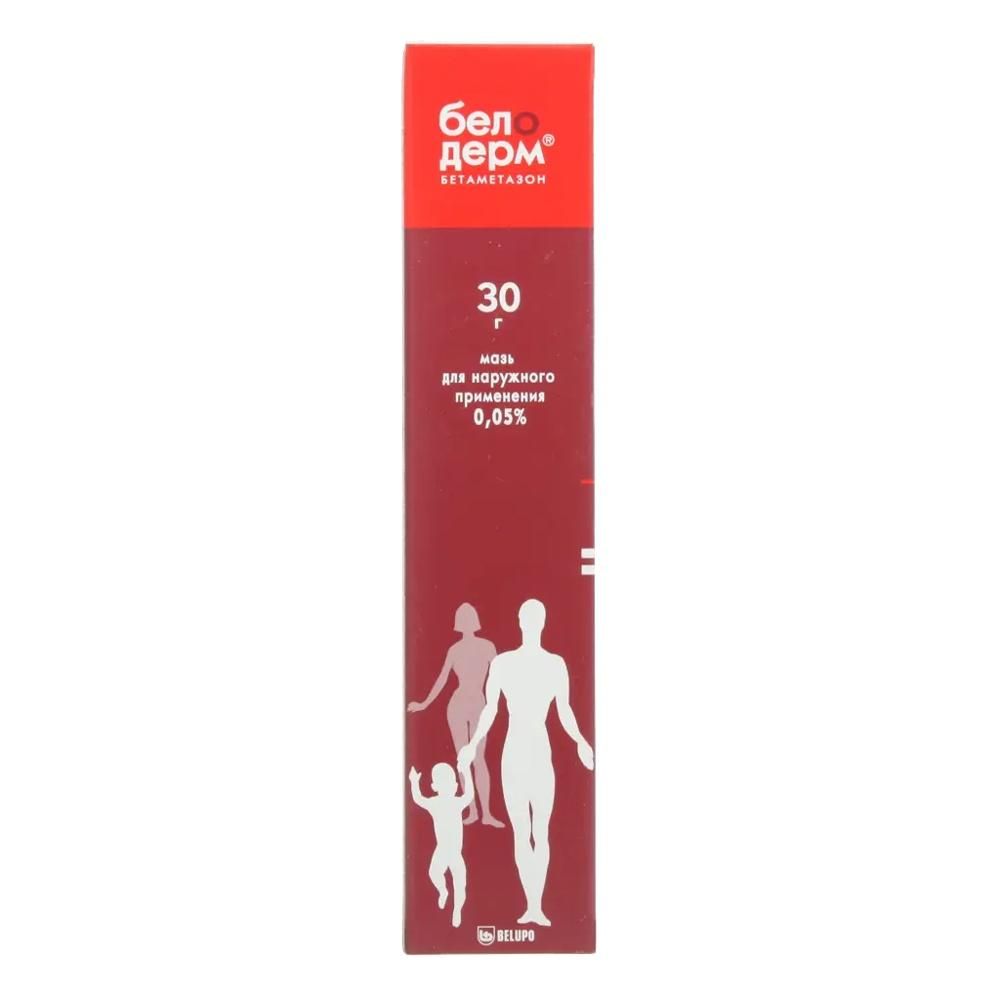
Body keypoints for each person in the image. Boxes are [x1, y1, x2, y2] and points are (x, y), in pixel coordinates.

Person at [458, 599, 593, 927]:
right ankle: (532, 905)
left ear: (540, 622)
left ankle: (537, 906)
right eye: (527, 618)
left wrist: (580, 741)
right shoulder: (504, 664)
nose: (531, 622)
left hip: (538, 752)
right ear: (521, 621)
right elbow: (490, 709)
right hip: (516, 753)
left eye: (534, 618)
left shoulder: (555, 665)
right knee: (523, 830)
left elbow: (564, 710)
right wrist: (473, 745)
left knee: (539, 830)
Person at [408, 602, 504, 826]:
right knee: (466, 760)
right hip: (461, 706)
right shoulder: (460, 649)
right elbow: (442, 679)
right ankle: (474, 811)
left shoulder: (484, 647)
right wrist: (424, 704)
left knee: (477, 759)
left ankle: (484, 813)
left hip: (477, 704)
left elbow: (500, 676)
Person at [408, 759, 473, 928]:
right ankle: (443, 890)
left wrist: (466, 772)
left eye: (450, 781)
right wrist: (414, 782)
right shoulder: (434, 803)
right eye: (442, 782)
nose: (447, 786)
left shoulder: (457, 802)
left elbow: (469, 795)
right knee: (434, 873)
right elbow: (418, 799)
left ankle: (457, 910)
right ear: (434, 786)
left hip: (455, 853)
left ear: (455, 786)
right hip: (442, 851)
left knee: (460, 884)